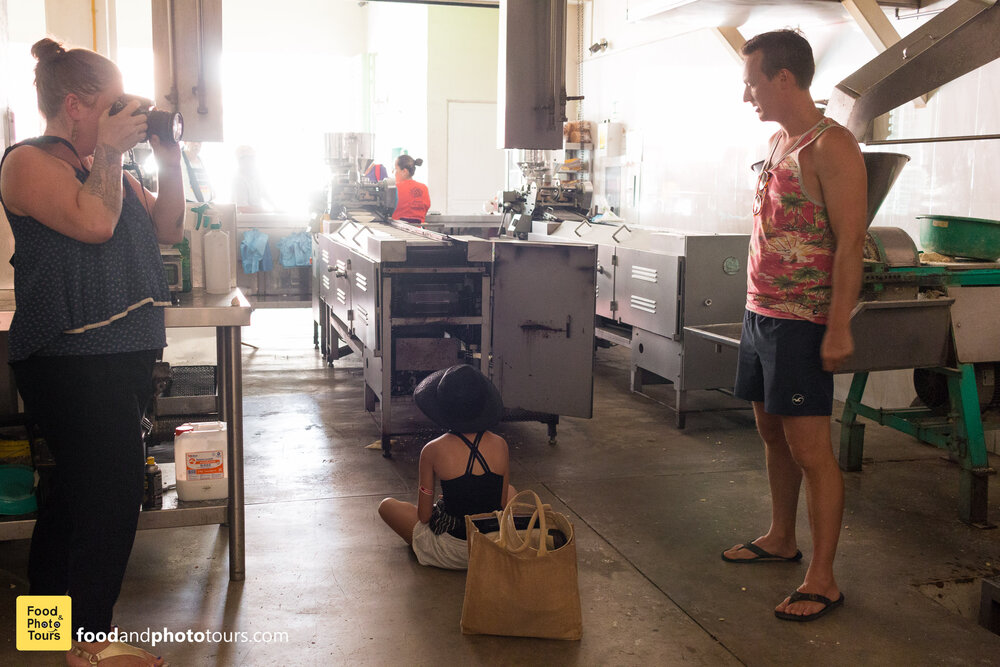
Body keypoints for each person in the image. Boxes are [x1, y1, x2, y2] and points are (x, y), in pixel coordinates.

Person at [0, 37, 185, 665]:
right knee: (110, 494)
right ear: (75, 105)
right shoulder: (27, 163)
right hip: (68, 358)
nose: (126, 117)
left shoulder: (117, 174)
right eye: (114, 107)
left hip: (121, 354)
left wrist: (168, 154)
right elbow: (94, 224)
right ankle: (91, 641)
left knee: (76, 493)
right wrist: (109, 151)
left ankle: (46, 627)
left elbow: (167, 229)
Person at [721, 30, 867, 623]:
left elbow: (852, 243)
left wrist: (837, 328)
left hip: (804, 322)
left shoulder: (833, 146)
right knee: (770, 430)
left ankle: (824, 578)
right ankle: (782, 537)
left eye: (753, 81)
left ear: (784, 78)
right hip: (763, 315)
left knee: (811, 449)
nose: (747, 94)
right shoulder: (783, 139)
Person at [378, 364, 513, 570]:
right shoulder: (500, 445)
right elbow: (501, 505)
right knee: (511, 490)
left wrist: (446, 506)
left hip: (451, 550)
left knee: (387, 506)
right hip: (492, 545)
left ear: (443, 408)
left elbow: (424, 516)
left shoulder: (432, 450)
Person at [232, 144, 274, 213]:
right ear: (240, 161)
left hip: (256, 217)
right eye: (248, 158)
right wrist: (266, 211)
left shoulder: (256, 175)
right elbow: (242, 208)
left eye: (252, 158)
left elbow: (264, 193)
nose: (251, 161)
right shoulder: (238, 180)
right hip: (245, 220)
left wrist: (275, 207)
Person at [391, 154, 430, 225]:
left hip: (398, 230)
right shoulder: (424, 188)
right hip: (419, 231)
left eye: (395, 169)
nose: (393, 173)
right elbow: (426, 207)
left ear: (404, 171)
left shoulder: (395, 189)